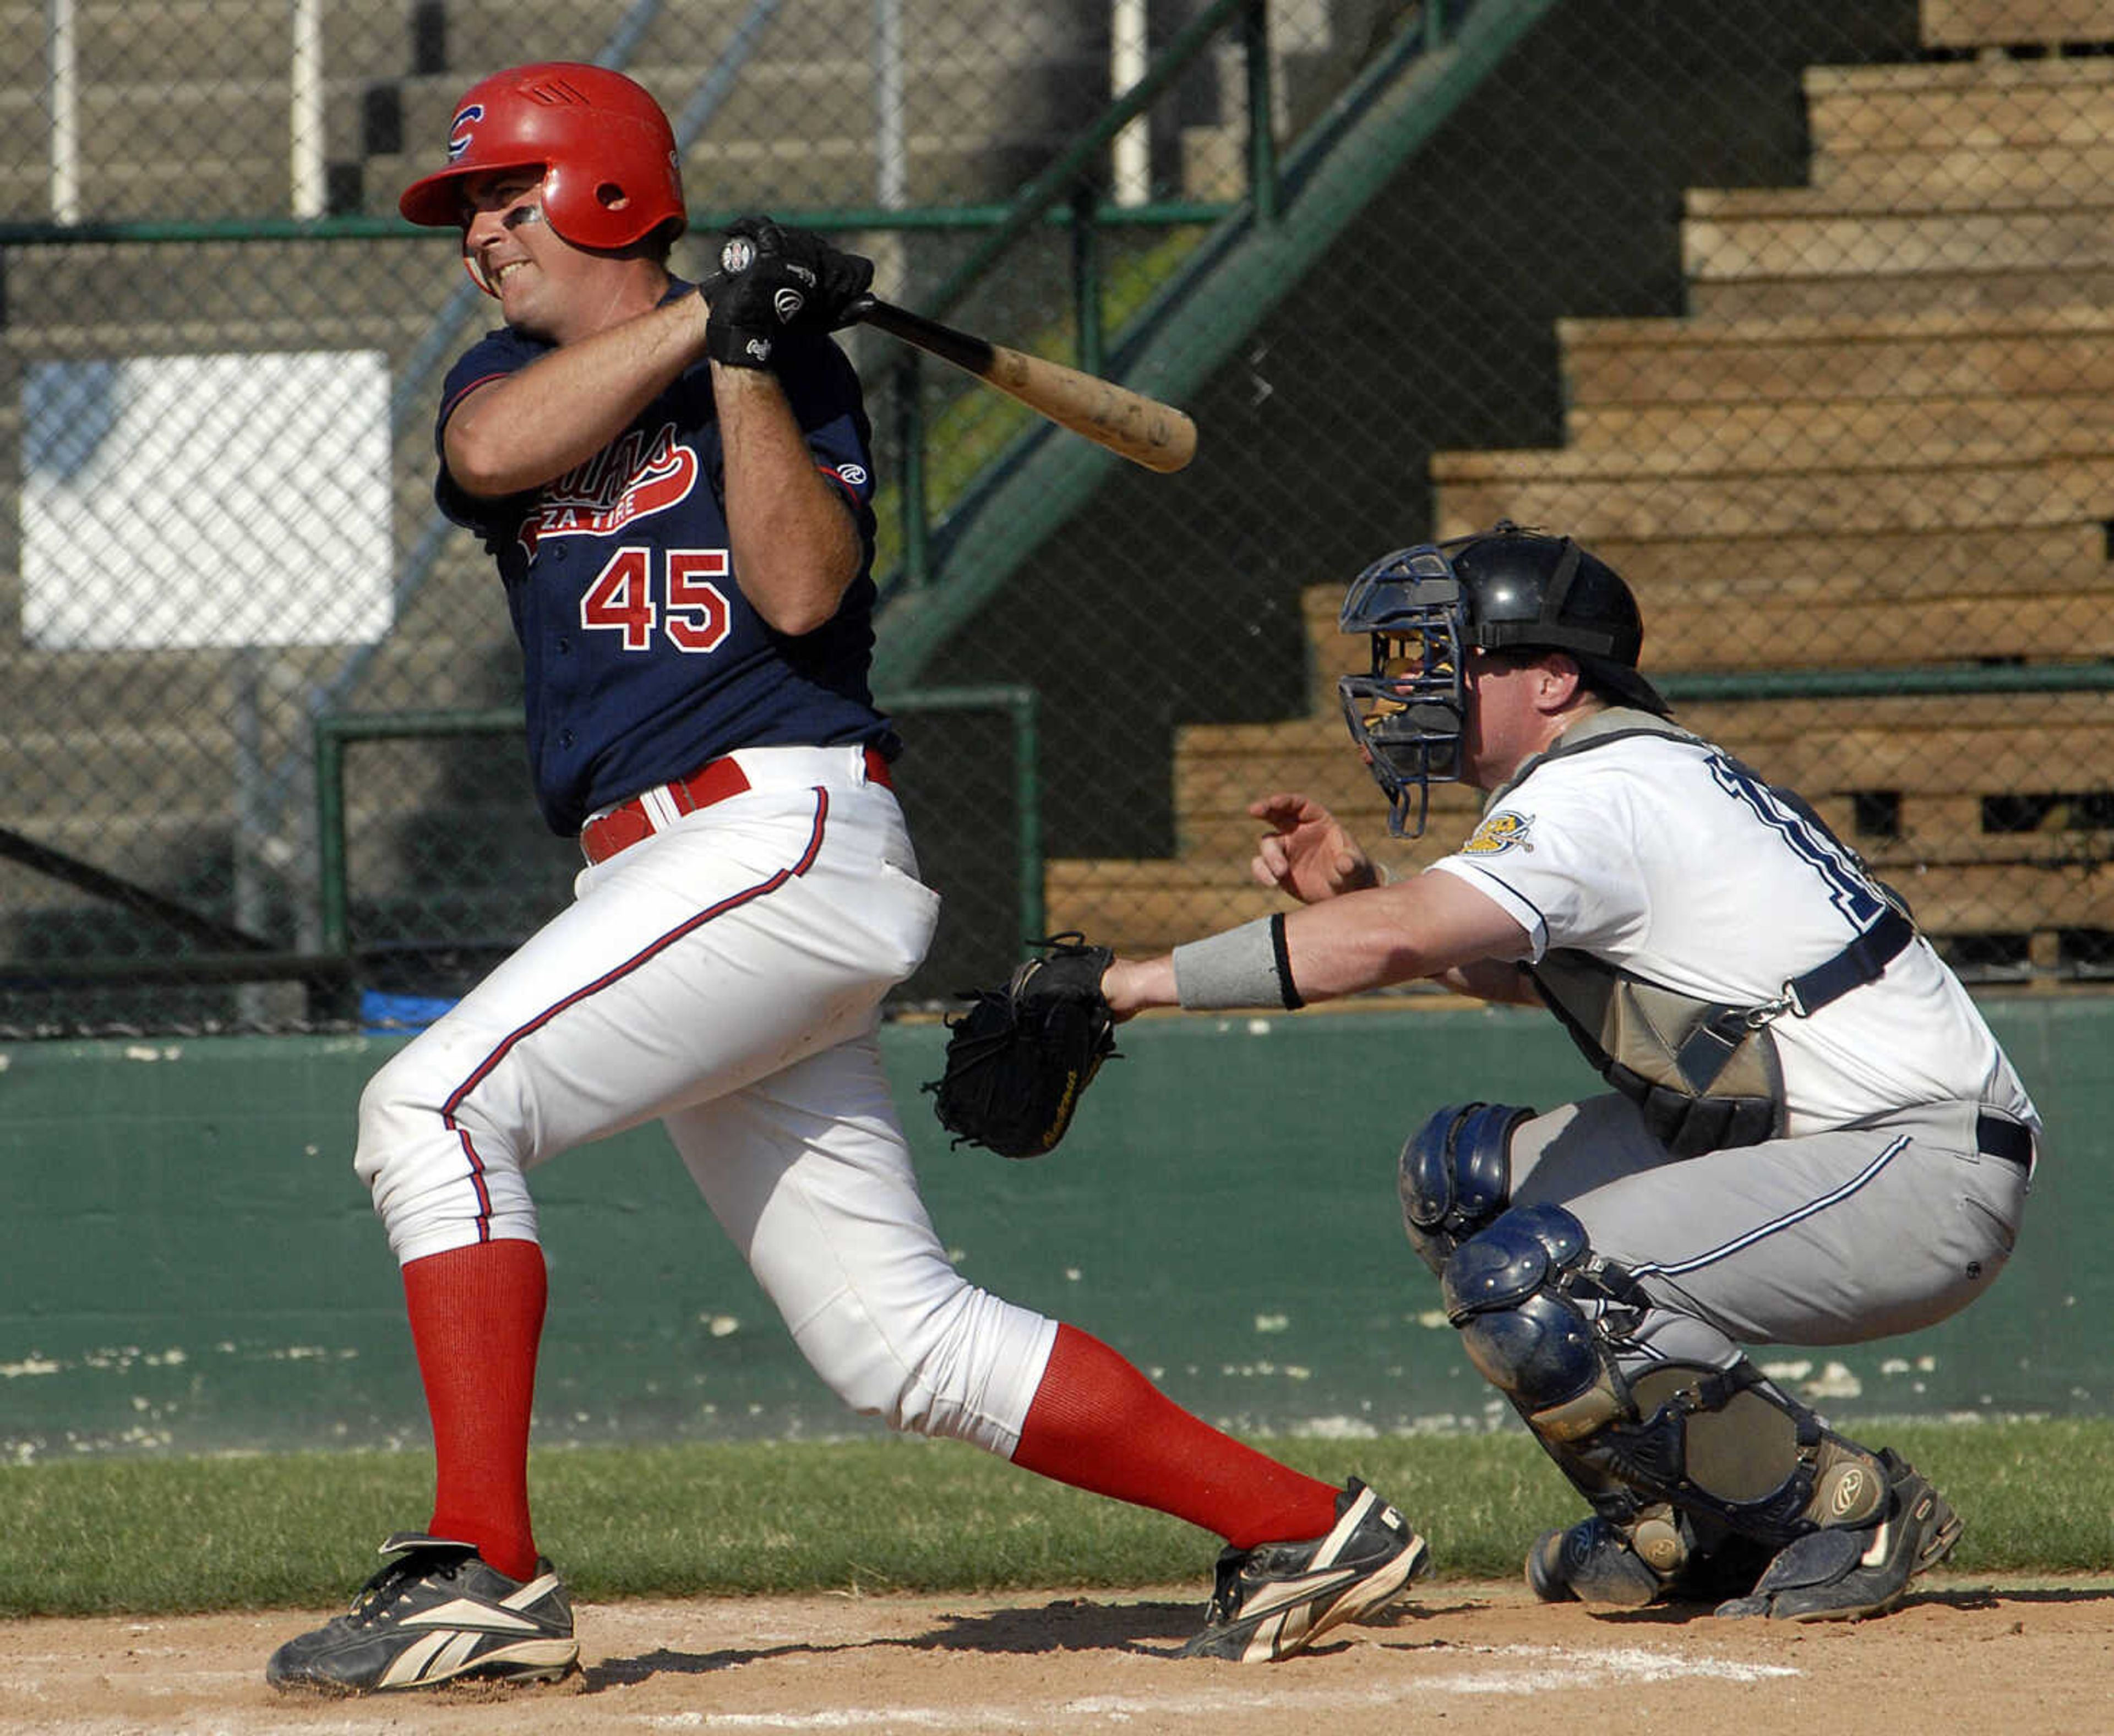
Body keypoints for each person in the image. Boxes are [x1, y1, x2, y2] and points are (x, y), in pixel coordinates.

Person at [264, 61, 1426, 1695]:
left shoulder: (790, 365)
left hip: (774, 840)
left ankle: (489, 1566)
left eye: (505, 198)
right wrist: (704, 315)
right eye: (467, 208)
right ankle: (1307, 1524)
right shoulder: (506, 378)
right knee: (893, 1339)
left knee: (434, 1109)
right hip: (655, 883)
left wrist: (748, 349)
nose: (478, 234)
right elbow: (496, 446)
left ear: (600, 189)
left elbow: (803, 592)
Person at [1100, 520, 2038, 1622]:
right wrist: (1367, 891)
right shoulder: (1626, 775)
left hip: (1912, 1164)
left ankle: (1845, 1504)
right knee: (1463, 1179)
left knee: (1530, 1280)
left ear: (1553, 678)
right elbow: (1514, 970)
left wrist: (1129, 982)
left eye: (1453, 652)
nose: (1418, 682)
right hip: (1812, 1138)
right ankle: (1688, 1517)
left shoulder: (1600, 788)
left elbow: (1402, 939)